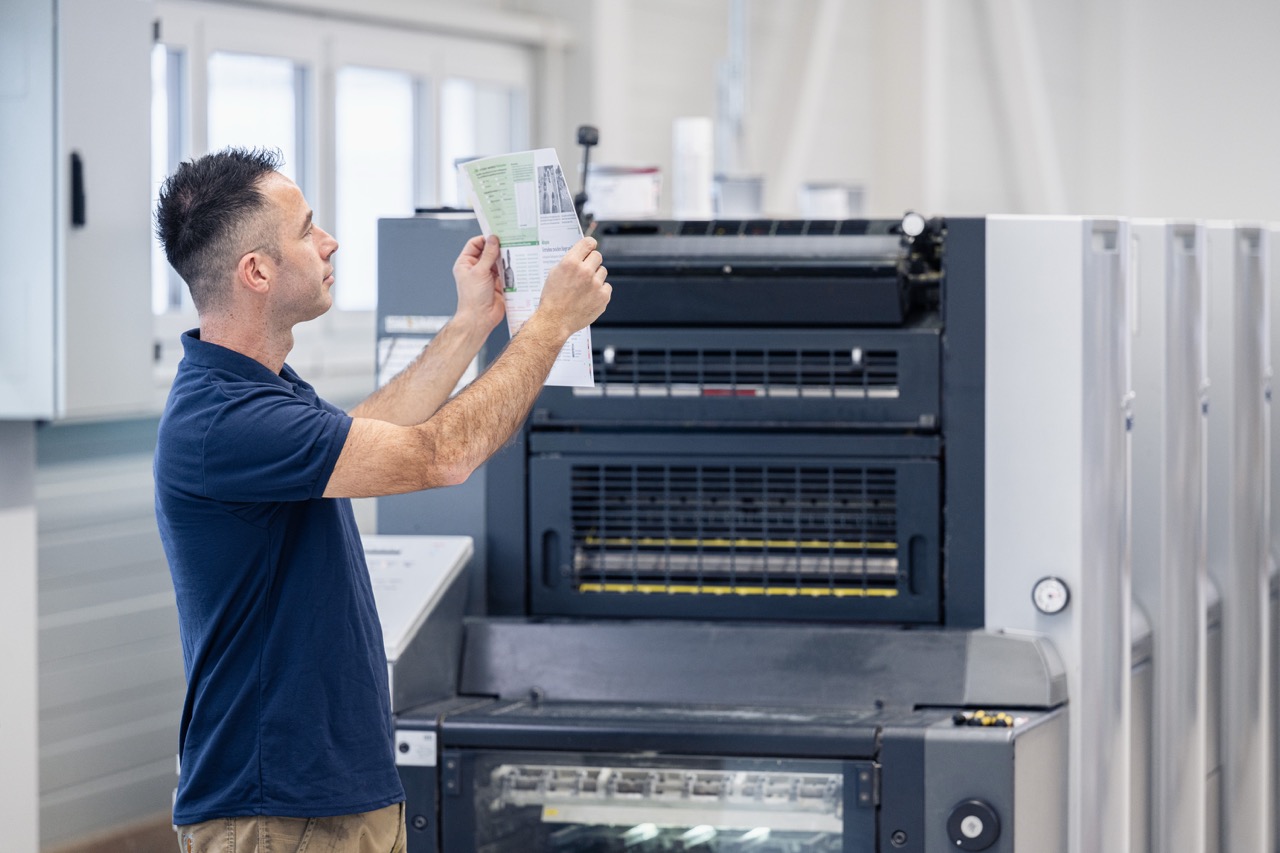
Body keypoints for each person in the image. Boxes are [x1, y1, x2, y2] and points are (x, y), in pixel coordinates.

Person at [152, 147, 610, 853]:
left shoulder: (257, 390)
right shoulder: (225, 420)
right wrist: (548, 325)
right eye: (307, 230)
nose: (328, 241)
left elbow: (370, 433)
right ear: (257, 271)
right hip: (279, 809)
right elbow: (440, 455)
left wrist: (473, 322)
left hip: (326, 797)